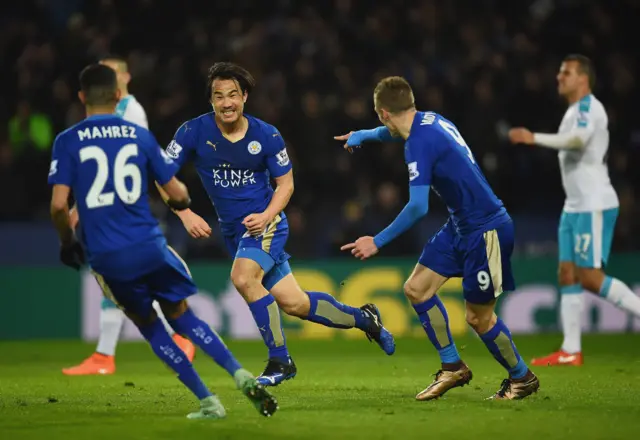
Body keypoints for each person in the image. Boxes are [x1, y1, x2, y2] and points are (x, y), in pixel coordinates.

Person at [48, 63, 277, 419]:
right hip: (151, 244)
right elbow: (176, 189)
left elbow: (60, 206)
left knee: (152, 327)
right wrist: (184, 206)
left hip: (108, 253)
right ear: (116, 96)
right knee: (184, 317)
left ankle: (207, 400)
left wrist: (67, 243)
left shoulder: (67, 141)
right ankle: (239, 373)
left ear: (81, 98)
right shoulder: (137, 135)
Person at [159, 62, 395, 386]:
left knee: (242, 278)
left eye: (232, 95)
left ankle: (280, 361)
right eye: (218, 96)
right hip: (234, 232)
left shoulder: (266, 135)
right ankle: (365, 319)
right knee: (295, 304)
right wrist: (184, 213)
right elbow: (161, 173)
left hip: (266, 224)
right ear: (211, 101)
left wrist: (267, 216)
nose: (226, 103)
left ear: (244, 97)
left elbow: (286, 185)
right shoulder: (192, 132)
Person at [336, 76, 539, 400]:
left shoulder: (418, 143)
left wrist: (377, 240)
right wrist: (364, 135)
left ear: (382, 113)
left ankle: (522, 377)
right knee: (416, 289)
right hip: (460, 226)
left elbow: (418, 207)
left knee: (478, 318)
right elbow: (394, 133)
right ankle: (452, 367)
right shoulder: (430, 120)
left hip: (486, 231)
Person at [62, 56, 196, 376]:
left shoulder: (131, 111)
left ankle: (179, 337)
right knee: (113, 279)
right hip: (109, 206)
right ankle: (105, 356)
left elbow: (134, 161)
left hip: (121, 208)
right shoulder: (110, 112)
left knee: (127, 275)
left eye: (112, 71)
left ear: (126, 77)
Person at [509, 54, 640, 366]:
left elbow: (578, 141)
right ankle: (571, 350)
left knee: (591, 277)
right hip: (574, 206)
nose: (558, 77)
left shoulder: (588, 109)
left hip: (593, 204)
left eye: (565, 72)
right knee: (567, 273)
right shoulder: (572, 111)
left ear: (583, 78)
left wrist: (533, 137)